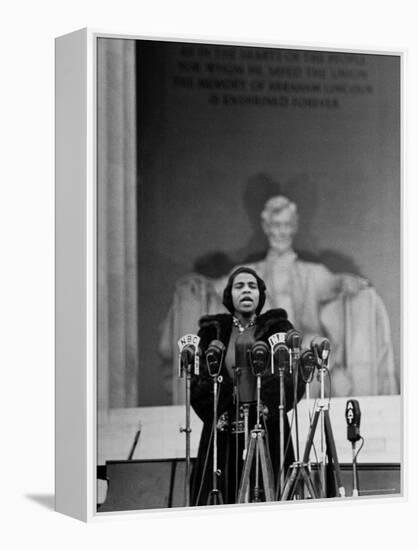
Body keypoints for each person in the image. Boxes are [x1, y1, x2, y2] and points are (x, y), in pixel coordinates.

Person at [160, 195, 397, 402]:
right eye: (276, 225)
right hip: (260, 346)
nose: (281, 231)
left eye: (286, 225)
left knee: (309, 347)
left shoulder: (309, 271)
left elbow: (334, 284)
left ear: (294, 227)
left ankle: (304, 408)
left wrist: (348, 283)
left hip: (300, 344)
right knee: (252, 351)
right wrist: (199, 284)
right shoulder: (250, 271)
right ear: (266, 227)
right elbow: (218, 287)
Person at [190, 267, 306, 505]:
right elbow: (198, 379)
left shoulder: (278, 328)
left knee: (270, 494)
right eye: (239, 286)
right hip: (223, 429)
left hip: (268, 427)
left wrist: (267, 406)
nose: (246, 291)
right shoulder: (212, 331)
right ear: (229, 295)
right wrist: (220, 408)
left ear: (260, 295)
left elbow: (293, 377)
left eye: (252, 287)